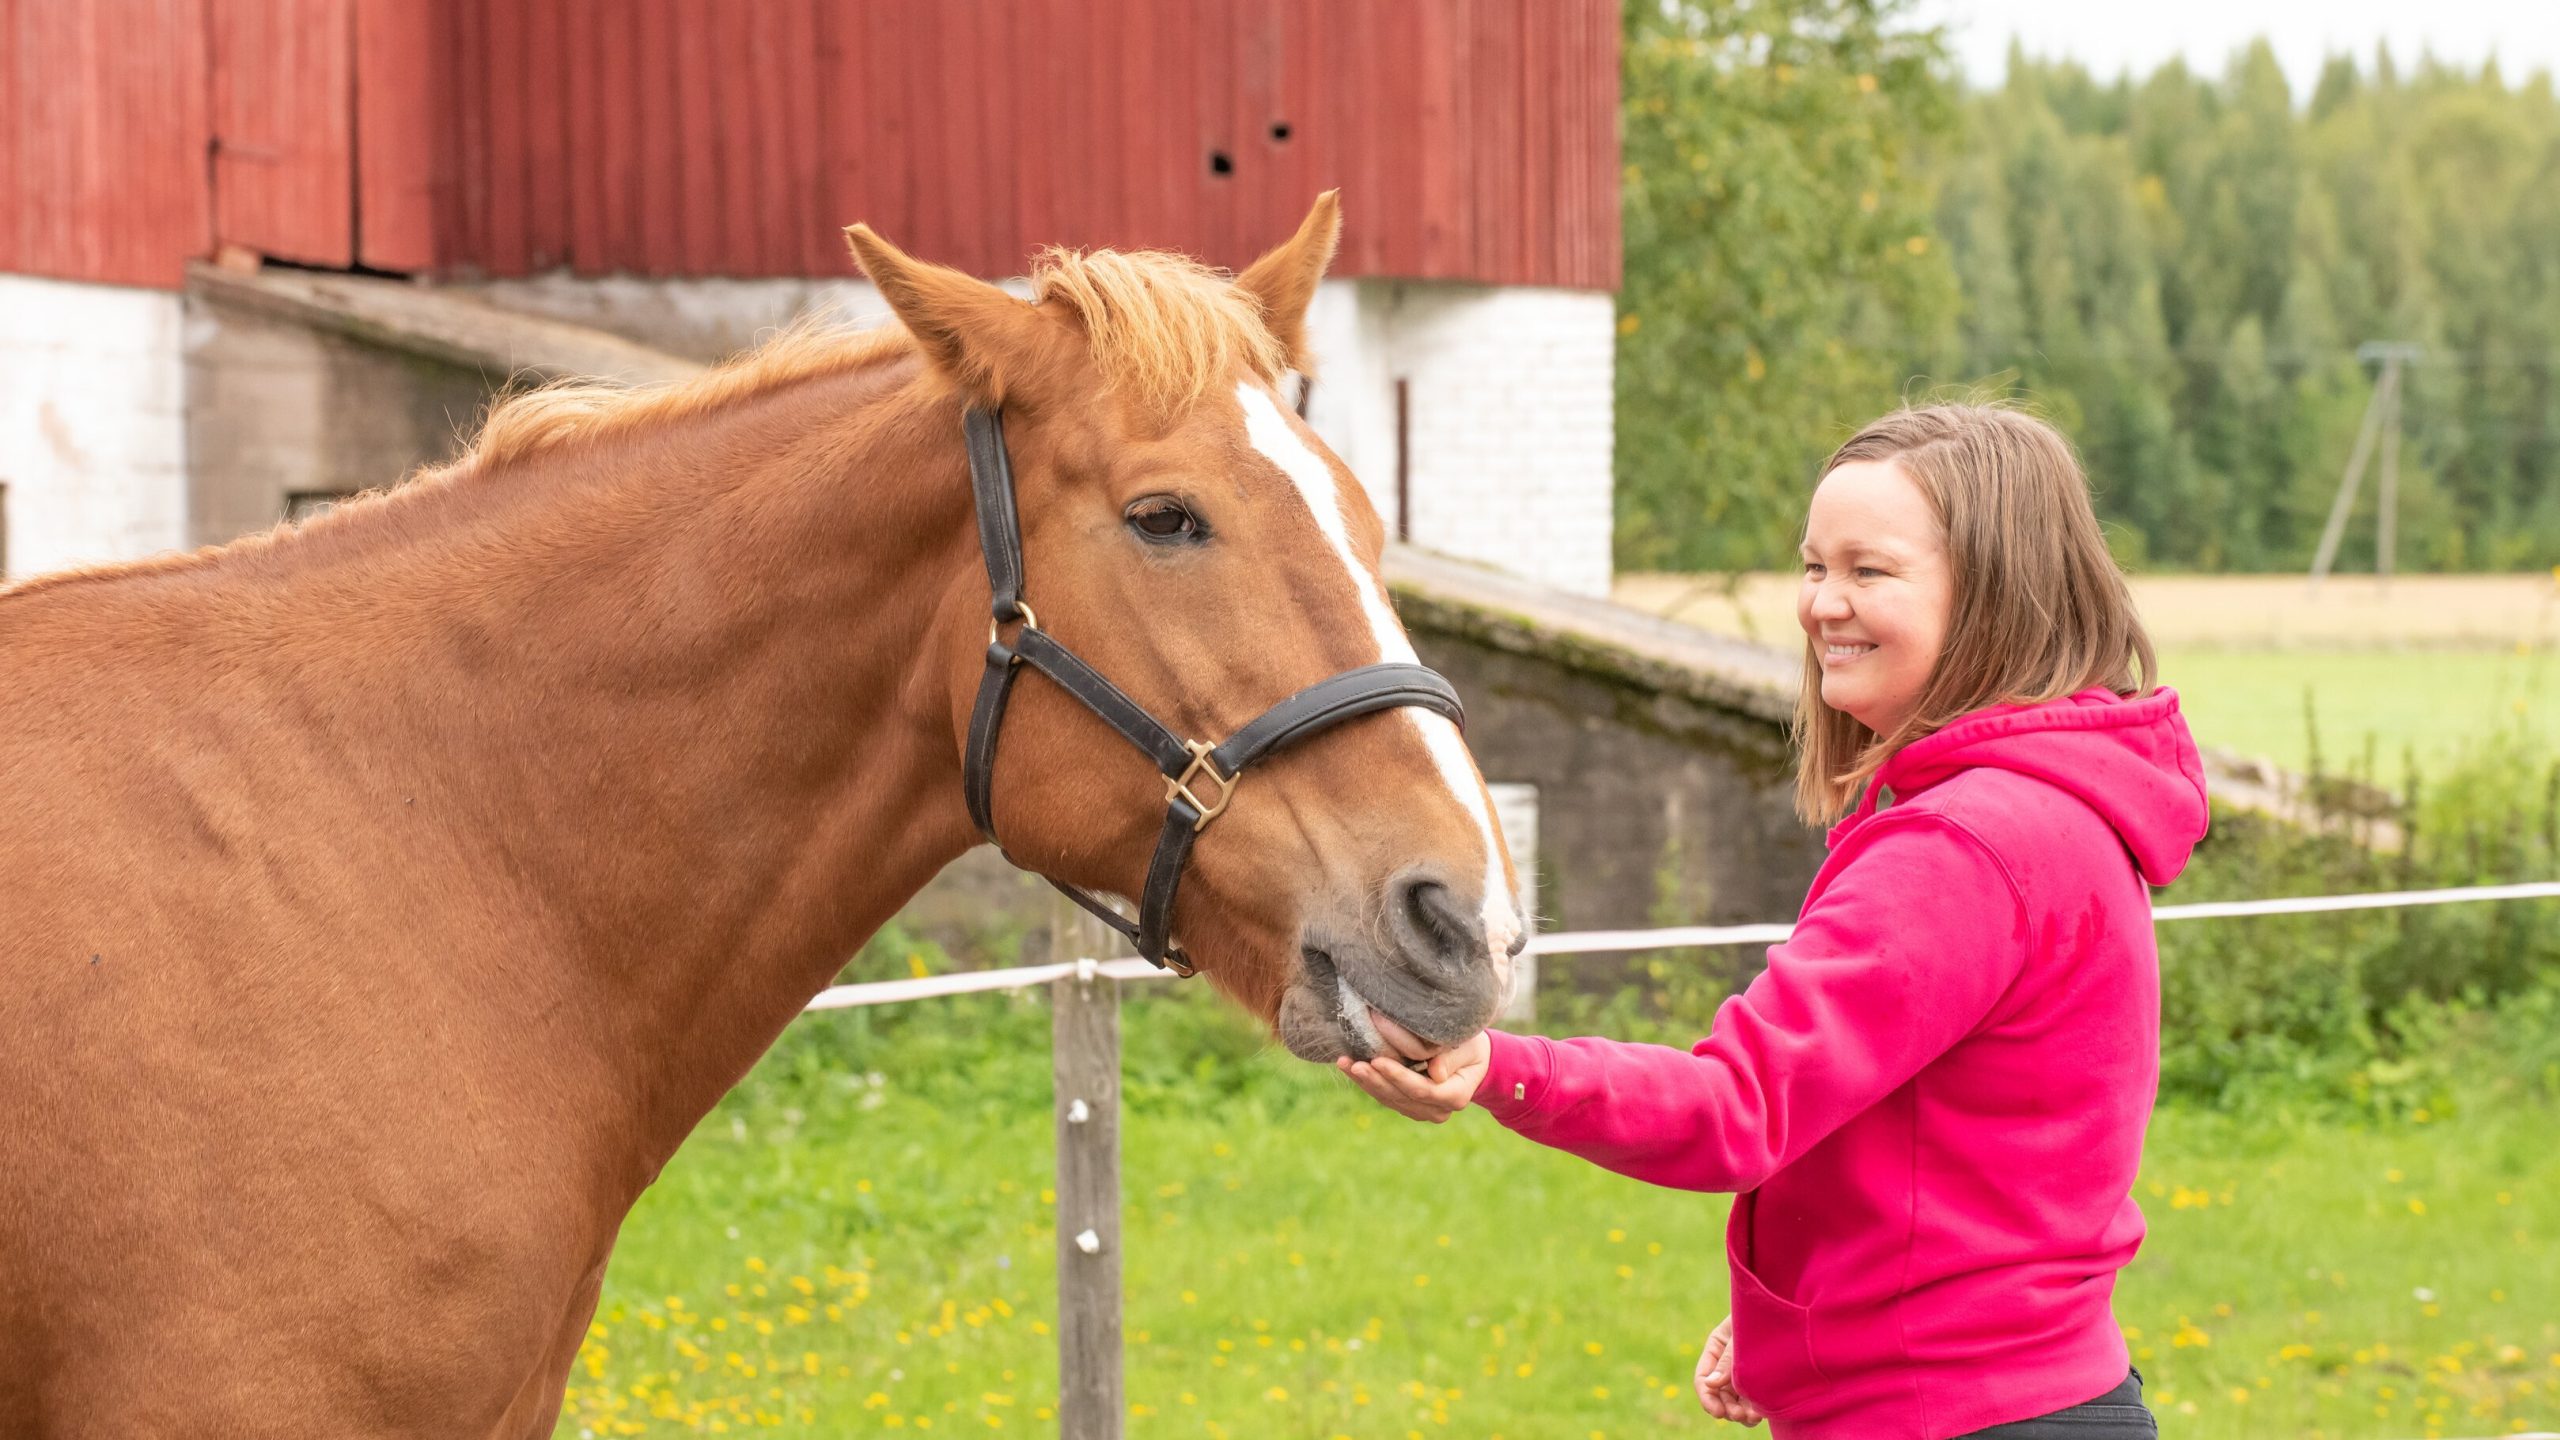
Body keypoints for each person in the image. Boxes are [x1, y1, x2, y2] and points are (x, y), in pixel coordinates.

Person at [1340, 404, 2208, 1439]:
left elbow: (1737, 1107)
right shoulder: (2053, 810)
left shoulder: (1962, 848)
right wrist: (1814, 1326)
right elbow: (1975, 1155)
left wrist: (1500, 1068)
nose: (1821, 605)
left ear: (1992, 594)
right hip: (2021, 1393)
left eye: (1867, 571)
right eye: (1812, 567)